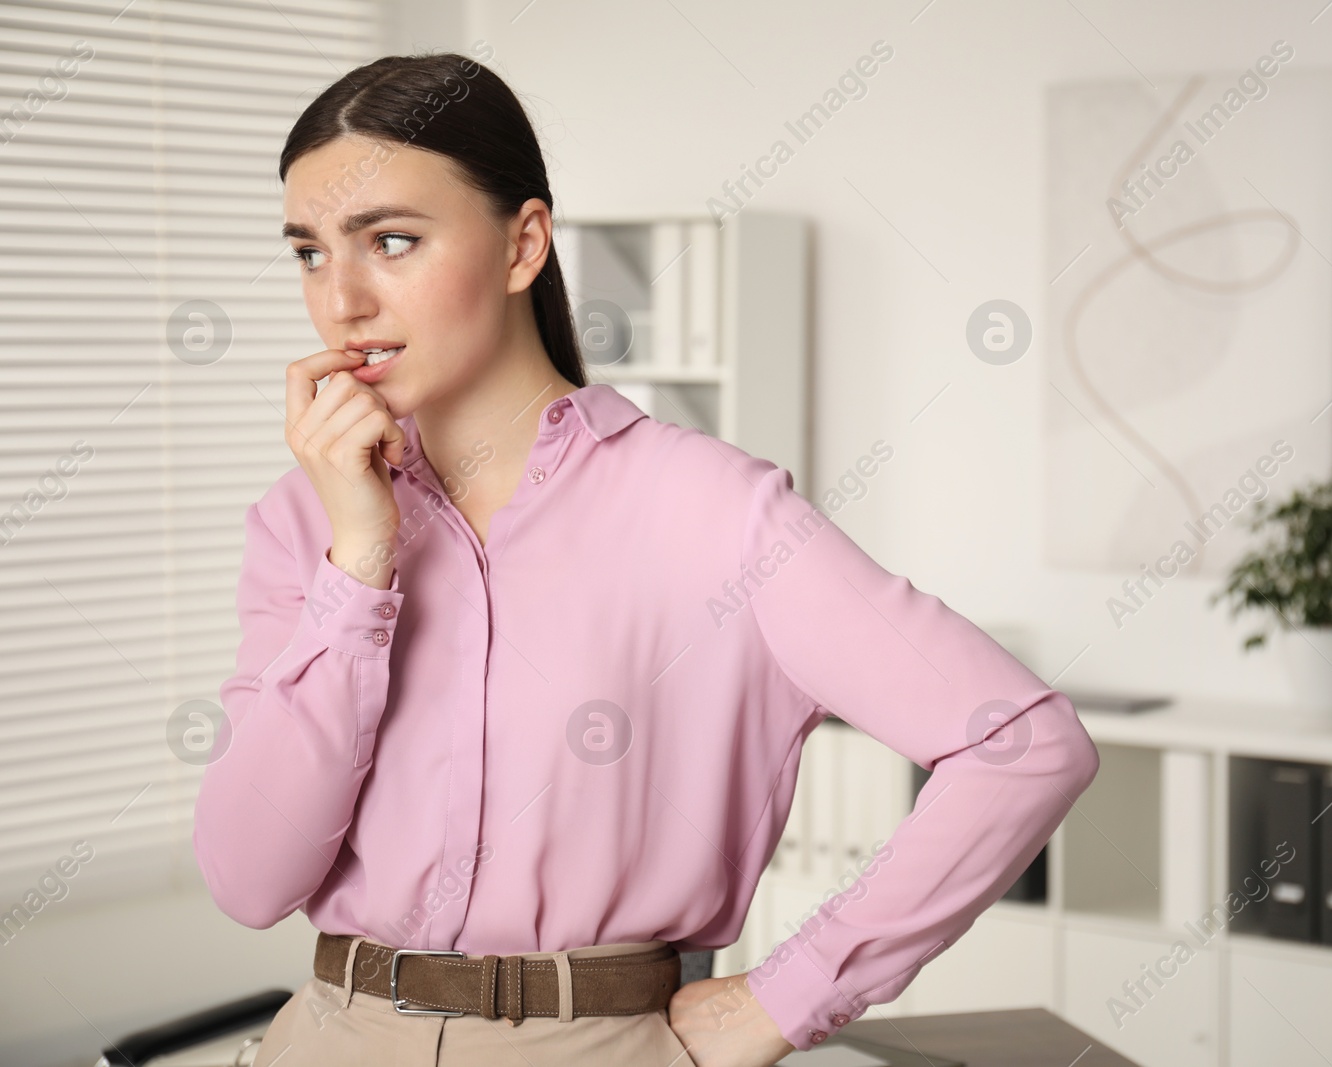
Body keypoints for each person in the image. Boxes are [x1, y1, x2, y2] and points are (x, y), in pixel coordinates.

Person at [191, 51, 1100, 1067]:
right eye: (308, 252)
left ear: (522, 244)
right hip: (326, 1035)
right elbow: (249, 876)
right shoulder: (300, 521)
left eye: (391, 241)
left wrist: (790, 993)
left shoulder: (715, 513)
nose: (340, 300)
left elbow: (1022, 744)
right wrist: (356, 563)